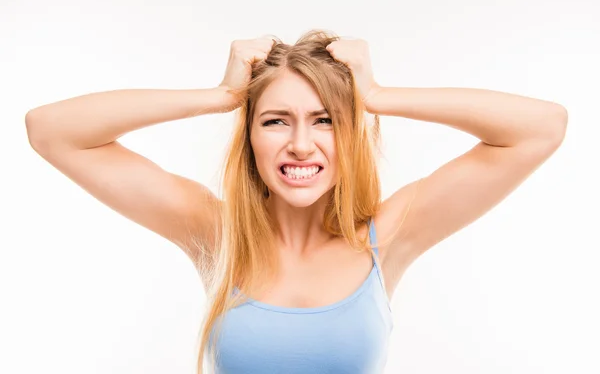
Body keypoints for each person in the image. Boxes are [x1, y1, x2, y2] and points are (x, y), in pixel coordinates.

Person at [25, 29, 568, 373]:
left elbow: (541, 128)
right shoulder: (215, 234)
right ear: (250, 136)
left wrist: (376, 96)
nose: (301, 144)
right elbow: (52, 130)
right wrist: (220, 96)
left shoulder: (389, 234)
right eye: (276, 120)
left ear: (350, 134)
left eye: (325, 120)